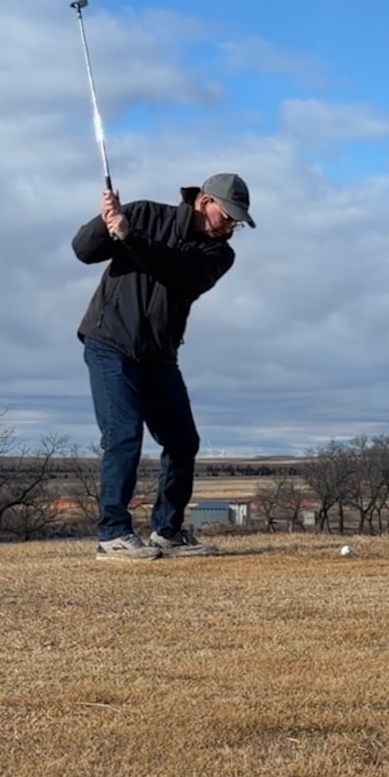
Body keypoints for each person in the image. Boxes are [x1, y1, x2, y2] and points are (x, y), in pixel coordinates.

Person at [72, 172, 255, 561]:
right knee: (123, 436)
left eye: (237, 221)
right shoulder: (141, 213)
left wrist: (129, 236)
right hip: (110, 343)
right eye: (228, 216)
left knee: (182, 440)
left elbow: (178, 273)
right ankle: (113, 535)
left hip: (158, 355)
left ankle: (167, 533)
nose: (231, 228)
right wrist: (106, 223)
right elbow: (83, 250)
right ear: (204, 202)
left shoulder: (219, 255)